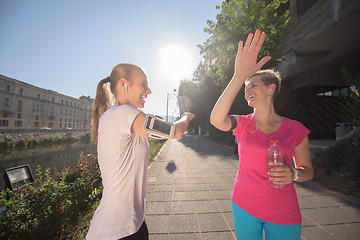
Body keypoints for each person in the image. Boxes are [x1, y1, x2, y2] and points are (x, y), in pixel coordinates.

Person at [210, 30, 314, 240]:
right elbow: (216, 120)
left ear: (270, 89)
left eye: (253, 85)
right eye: (246, 88)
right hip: (244, 204)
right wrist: (239, 76)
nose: (247, 90)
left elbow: (308, 171)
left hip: (283, 212)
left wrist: (293, 174)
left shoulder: (296, 129)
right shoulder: (242, 123)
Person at [86, 63, 195, 240]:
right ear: (124, 83)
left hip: (131, 223)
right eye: (143, 84)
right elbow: (174, 131)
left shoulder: (117, 115)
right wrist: (185, 117)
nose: (149, 91)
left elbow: (160, 132)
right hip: (117, 229)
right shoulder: (123, 113)